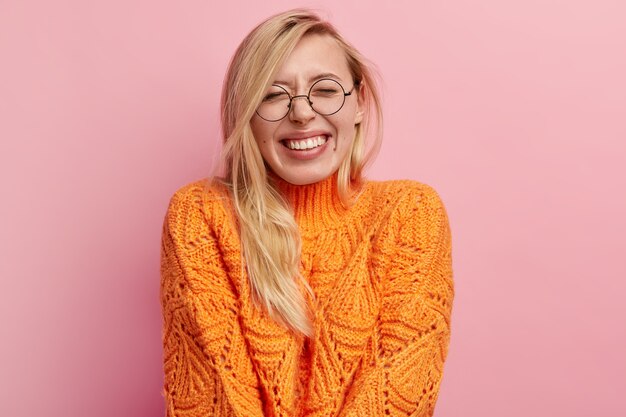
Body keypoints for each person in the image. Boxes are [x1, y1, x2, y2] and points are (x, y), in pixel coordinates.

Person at [160, 8, 454, 417]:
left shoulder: (410, 215)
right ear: (246, 116)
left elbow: (396, 400)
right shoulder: (201, 218)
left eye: (326, 89)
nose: (301, 113)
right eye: (273, 94)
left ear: (359, 104)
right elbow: (212, 401)